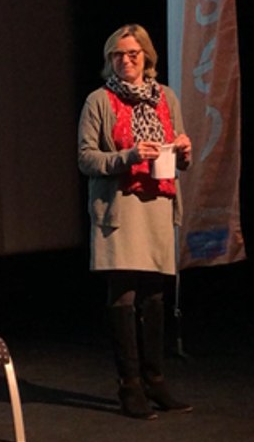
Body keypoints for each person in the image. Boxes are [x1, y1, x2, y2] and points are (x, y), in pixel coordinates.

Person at [77, 24, 193, 420]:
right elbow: (86, 158)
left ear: (147, 58)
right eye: (117, 55)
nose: (125, 61)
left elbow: (177, 151)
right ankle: (129, 386)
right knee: (124, 294)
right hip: (119, 208)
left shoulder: (167, 98)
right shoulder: (99, 100)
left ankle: (155, 380)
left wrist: (183, 151)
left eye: (133, 54)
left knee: (155, 296)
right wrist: (127, 155)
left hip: (158, 204)